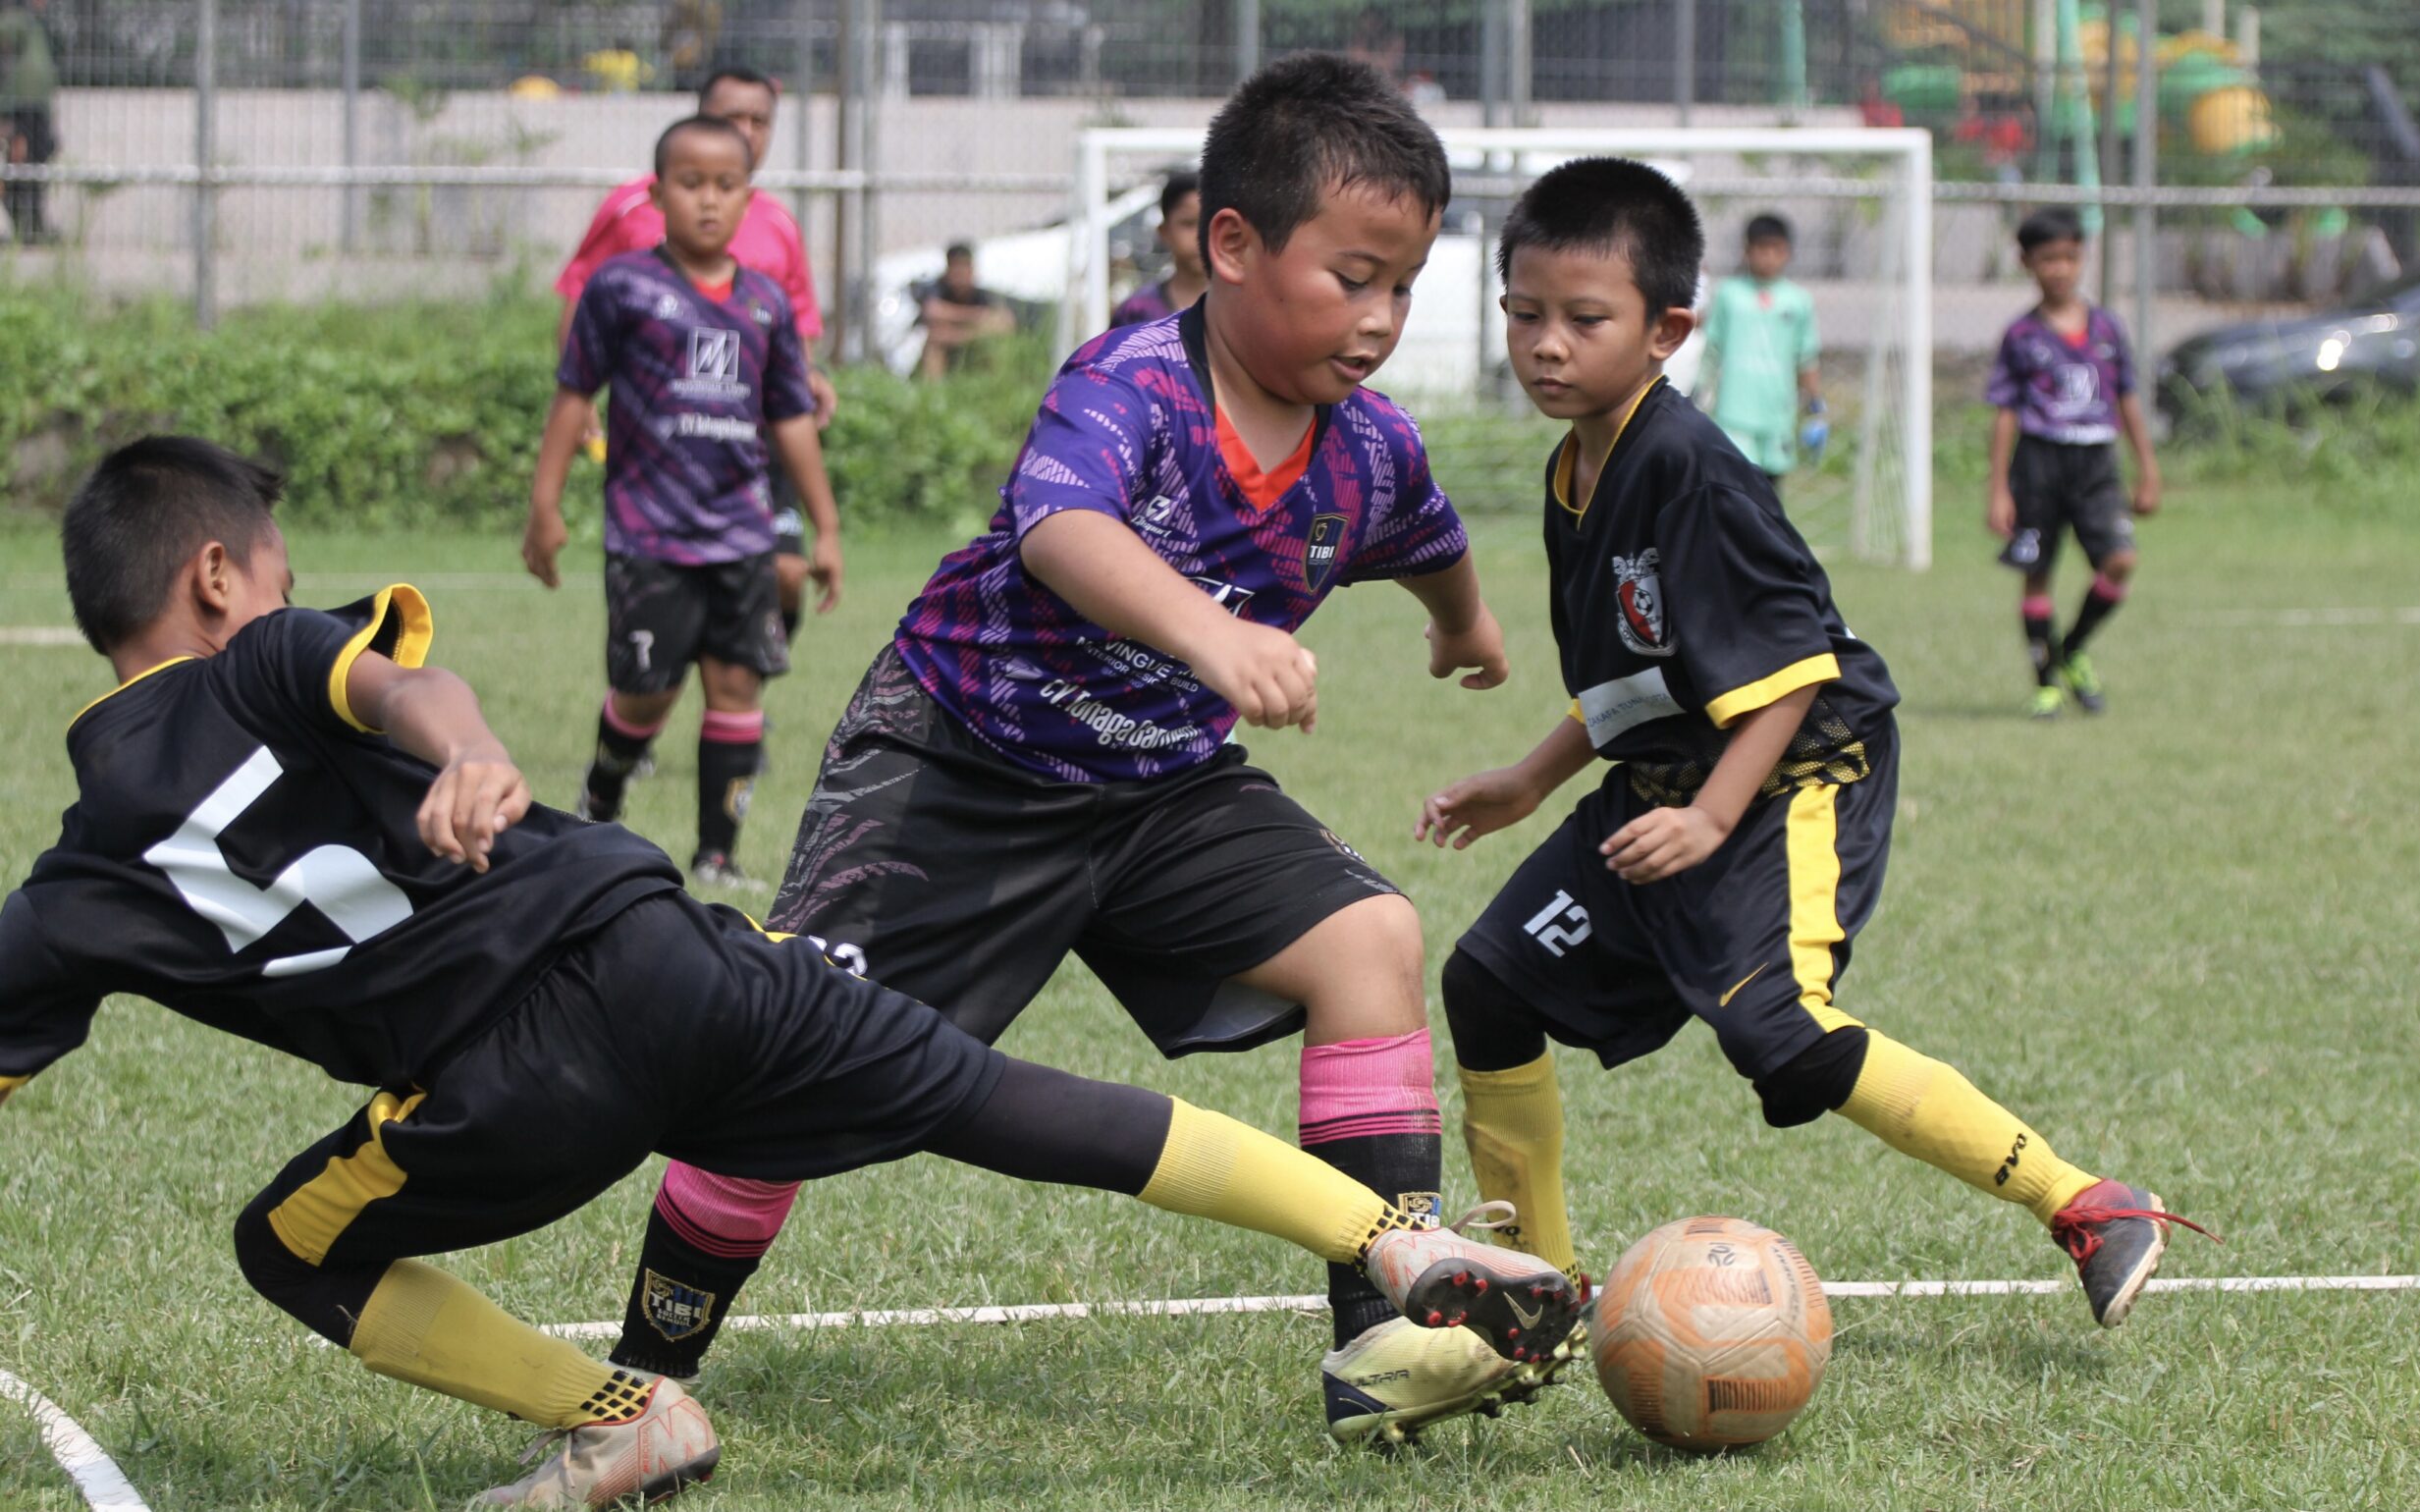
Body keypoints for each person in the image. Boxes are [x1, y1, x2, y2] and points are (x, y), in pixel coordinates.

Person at [0, 435, 1581, 1511]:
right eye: (274, 576)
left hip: (507, 1093)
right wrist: (473, 753)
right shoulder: (273, 657)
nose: (280, 600)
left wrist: (459, 745)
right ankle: (1388, 1239)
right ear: (220, 580)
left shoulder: (71, 894)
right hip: (667, 951)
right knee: (997, 1098)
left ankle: (623, 1417)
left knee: (288, 1246)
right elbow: (409, 688)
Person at [602, 53, 1542, 1447]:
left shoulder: (1371, 450)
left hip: (1160, 792)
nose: (1382, 318)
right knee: (778, 1060)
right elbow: (1064, 532)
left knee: (1371, 942)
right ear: (1229, 244)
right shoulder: (1132, 385)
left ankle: (1387, 1348)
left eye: (1402, 286)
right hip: (956, 771)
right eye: (1353, 276)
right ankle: (635, 1376)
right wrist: (1214, 640)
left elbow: (1429, 542)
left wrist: (1465, 632)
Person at [1417, 158, 2209, 1336]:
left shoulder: (1685, 465)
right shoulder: (1574, 462)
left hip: (1790, 776)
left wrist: (1708, 819)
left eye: (1583, 319)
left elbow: (1790, 672)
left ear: (1665, 329)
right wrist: (1531, 779)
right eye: (1523, 314)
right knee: (1486, 984)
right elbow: (1644, 669)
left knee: (1777, 1028)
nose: (1545, 344)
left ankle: (2089, 1203)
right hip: (1670, 778)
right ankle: (1536, 1292)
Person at [524, 116, 842, 887]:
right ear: (657, 192)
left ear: (747, 198)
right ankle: (602, 794)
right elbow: (574, 398)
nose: (708, 200)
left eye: (725, 186)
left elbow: (792, 421)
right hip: (649, 536)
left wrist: (824, 526)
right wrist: (545, 503)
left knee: (737, 685)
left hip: (743, 534)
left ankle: (717, 856)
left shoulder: (765, 304)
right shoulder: (624, 287)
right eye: (690, 183)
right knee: (646, 697)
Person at [555, 67, 836, 651]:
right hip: (664, 460)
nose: (747, 130)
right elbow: (583, 295)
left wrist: (809, 376)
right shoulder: (636, 207)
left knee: (788, 575)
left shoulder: (778, 223)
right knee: (661, 646)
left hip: (756, 450)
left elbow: (791, 327)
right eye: (733, 116)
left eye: (760, 121)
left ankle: (747, 681)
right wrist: (580, 393)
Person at [1987, 207, 2162, 719]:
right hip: (2040, 462)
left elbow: (2127, 398)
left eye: (2069, 257)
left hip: (2096, 464)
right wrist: (1999, 488)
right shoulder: (2021, 336)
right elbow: (2004, 414)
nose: (2060, 268)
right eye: (2049, 259)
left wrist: (2148, 469)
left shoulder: (2107, 327)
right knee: (2037, 573)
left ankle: (2072, 649)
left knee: (2121, 560)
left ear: (2082, 258)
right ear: (2027, 263)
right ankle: (2045, 683)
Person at [1697, 212, 1823, 498]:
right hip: (1734, 411)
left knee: (1769, 492)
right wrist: (1701, 390)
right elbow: (1712, 349)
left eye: (1776, 250)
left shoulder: (1798, 300)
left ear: (1787, 253)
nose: (1768, 257)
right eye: (1761, 249)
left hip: (1777, 411)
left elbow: (1806, 357)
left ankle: (1763, 543)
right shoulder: (1730, 294)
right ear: (1747, 250)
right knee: (1732, 488)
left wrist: (1816, 405)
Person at [1108, 171, 1206, 330]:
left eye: (1209, 223)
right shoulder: (1136, 312)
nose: (1200, 236)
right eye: (1188, 223)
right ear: (1164, 232)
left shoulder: (1242, 307)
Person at [0, 0, 57, 245]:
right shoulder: (16, 20)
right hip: (19, 108)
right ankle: (22, 225)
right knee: (18, 166)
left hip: (38, 108)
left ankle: (34, 226)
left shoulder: (37, 24)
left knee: (38, 163)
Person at [915, 242, 1018, 377]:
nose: (960, 275)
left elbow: (1006, 323)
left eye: (964, 268)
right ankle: (933, 393)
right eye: (956, 269)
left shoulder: (981, 295)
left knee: (997, 346)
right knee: (934, 346)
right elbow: (933, 312)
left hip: (972, 346)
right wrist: (978, 317)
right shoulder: (936, 289)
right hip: (945, 352)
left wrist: (958, 334)